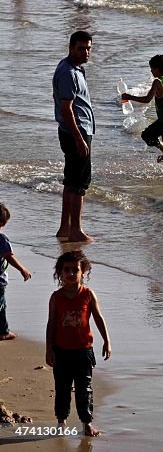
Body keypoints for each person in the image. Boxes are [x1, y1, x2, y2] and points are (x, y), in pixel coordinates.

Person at [46, 250, 111, 438]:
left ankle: (86, 423)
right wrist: (49, 349)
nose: (71, 273)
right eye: (67, 270)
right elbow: (51, 323)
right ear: (60, 273)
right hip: (61, 351)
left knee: (85, 389)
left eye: (75, 270)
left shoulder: (88, 295)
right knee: (62, 389)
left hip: (83, 352)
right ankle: (61, 422)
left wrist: (107, 341)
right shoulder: (56, 297)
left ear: (83, 272)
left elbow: (98, 318)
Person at [53, 31, 95, 242]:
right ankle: (76, 230)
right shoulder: (68, 72)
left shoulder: (76, 69)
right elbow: (67, 108)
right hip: (75, 131)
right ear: (71, 48)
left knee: (71, 180)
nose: (86, 52)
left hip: (75, 130)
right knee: (79, 182)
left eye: (88, 48)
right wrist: (79, 138)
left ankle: (65, 227)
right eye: (81, 48)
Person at [0, 203, 33, 341]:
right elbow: (9, 256)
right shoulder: (1, 239)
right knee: (1, 306)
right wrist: (22, 269)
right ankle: (3, 332)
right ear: (2, 223)